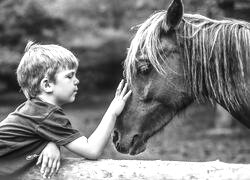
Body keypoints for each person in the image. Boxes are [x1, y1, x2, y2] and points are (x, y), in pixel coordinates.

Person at [0, 41, 131, 179]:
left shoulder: (34, 110)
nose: (77, 81)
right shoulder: (46, 114)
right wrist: (112, 112)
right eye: (69, 76)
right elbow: (92, 149)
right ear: (47, 84)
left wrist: (51, 143)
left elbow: (31, 137)